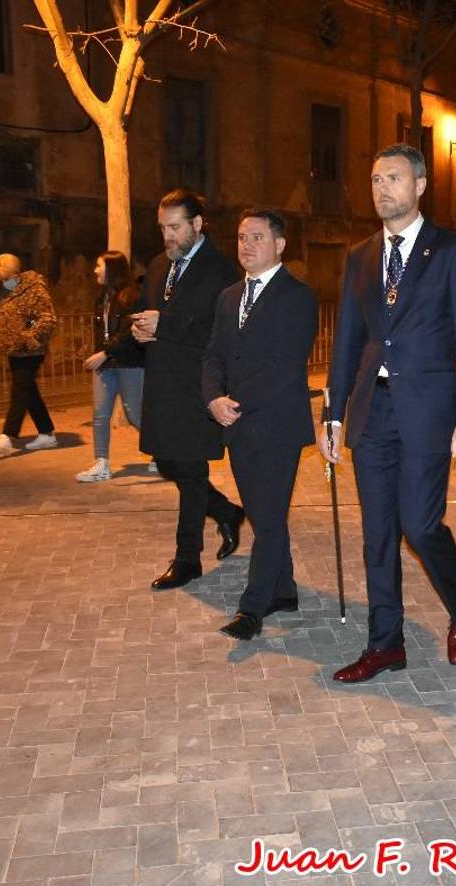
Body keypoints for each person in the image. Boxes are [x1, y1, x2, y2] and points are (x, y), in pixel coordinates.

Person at [318, 143, 456, 683]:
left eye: (392, 177)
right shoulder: (360, 255)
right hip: (373, 410)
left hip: (429, 411)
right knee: (377, 534)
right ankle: (385, 644)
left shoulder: (453, 252)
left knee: (419, 524)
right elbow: (347, 340)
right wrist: (333, 414)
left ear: (419, 185)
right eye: (374, 179)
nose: (381, 188)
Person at [204, 208, 318, 640]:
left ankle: (252, 610)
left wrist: (237, 401)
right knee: (262, 512)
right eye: (240, 237)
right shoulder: (229, 296)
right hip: (235, 421)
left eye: (256, 236)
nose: (246, 245)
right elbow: (213, 353)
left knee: (267, 520)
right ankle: (284, 589)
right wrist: (213, 397)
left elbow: (286, 365)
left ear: (279, 244)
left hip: (276, 425)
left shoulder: (298, 296)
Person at [131, 189, 245, 591]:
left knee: (192, 472)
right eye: (163, 228)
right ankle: (228, 512)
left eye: (175, 227)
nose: (168, 236)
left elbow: (219, 333)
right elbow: (157, 317)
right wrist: (141, 333)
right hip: (163, 384)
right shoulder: (159, 264)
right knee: (167, 464)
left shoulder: (223, 272)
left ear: (198, 225)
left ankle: (187, 559)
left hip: (199, 387)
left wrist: (165, 325)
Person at [0, 254, 59, 455]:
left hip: (31, 349)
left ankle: (8, 436)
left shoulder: (34, 289)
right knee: (28, 390)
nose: (5, 283)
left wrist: (28, 333)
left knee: (20, 388)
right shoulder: (1, 293)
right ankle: (47, 434)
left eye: (6, 279)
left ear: (16, 274)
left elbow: (45, 318)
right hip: (13, 349)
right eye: (0, 279)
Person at [76, 251, 145, 482]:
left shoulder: (132, 296)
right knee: (100, 414)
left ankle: (165, 453)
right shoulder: (102, 297)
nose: (95, 270)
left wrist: (105, 353)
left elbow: (129, 335)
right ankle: (102, 463)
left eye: (98, 265)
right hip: (106, 364)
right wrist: (97, 352)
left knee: (135, 414)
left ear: (112, 269)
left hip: (128, 363)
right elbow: (103, 332)